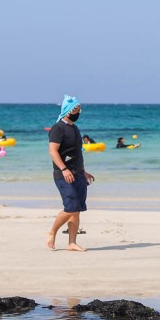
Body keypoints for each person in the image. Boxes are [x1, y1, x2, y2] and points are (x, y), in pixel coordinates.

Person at [47, 95, 95, 252]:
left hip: (78, 174)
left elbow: (77, 153)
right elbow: (53, 151)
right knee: (71, 206)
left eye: (80, 109)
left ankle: (72, 243)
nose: (78, 112)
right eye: (76, 109)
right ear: (67, 110)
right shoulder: (57, 128)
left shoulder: (75, 128)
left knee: (77, 209)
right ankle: (52, 231)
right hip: (63, 174)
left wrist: (84, 172)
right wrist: (64, 169)